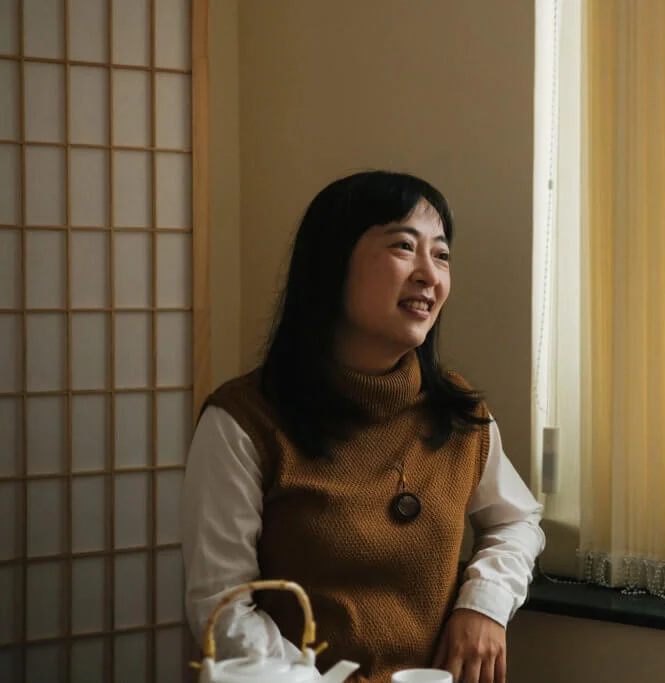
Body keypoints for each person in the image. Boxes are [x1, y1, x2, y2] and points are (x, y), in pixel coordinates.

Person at [181, 171, 545, 683]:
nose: (429, 274)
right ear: (332, 264)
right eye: (404, 246)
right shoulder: (244, 420)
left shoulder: (458, 414)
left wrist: (484, 604)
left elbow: (516, 520)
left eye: (441, 255)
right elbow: (222, 606)